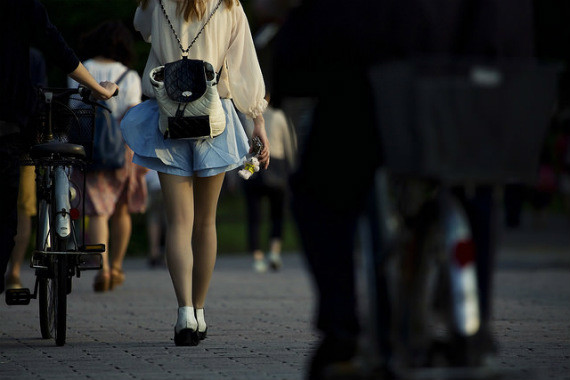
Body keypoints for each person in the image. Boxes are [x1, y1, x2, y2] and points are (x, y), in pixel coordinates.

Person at [273, 0, 538, 378]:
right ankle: (473, 329)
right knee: (473, 182)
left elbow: (321, 23)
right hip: (472, 70)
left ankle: (342, 331)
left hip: (370, 64)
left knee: (319, 192)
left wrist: (286, 68)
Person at [121, 0, 269, 346]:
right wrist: (257, 119)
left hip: (167, 116)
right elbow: (245, 63)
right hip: (213, 116)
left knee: (179, 223)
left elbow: (141, 29)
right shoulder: (229, 4)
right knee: (206, 223)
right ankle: (200, 312)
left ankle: (184, 312)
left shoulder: (154, 2)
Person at [1, 0, 118, 296]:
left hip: (10, 124)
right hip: (7, 125)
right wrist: (99, 89)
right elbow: (57, 48)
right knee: (5, 221)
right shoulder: (22, 7)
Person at [68, 21, 147, 293]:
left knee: (98, 210)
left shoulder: (80, 69)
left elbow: (75, 108)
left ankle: (100, 267)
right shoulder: (130, 76)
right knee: (121, 208)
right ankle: (116, 267)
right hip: (122, 150)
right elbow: (134, 117)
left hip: (89, 147)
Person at [5, 48, 47, 290]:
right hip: (24, 141)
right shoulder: (32, 55)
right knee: (23, 207)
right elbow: (40, 96)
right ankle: (15, 272)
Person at [241, 97, 296, 273]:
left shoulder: (244, 117)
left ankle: (257, 257)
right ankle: (274, 252)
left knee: (254, 214)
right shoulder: (279, 116)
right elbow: (291, 145)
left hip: (251, 165)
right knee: (277, 213)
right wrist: (293, 170)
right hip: (277, 165)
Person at [145, 170, 166, 268]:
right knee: (173, 221)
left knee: (154, 218)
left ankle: (154, 252)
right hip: (169, 182)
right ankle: (169, 254)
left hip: (152, 182)